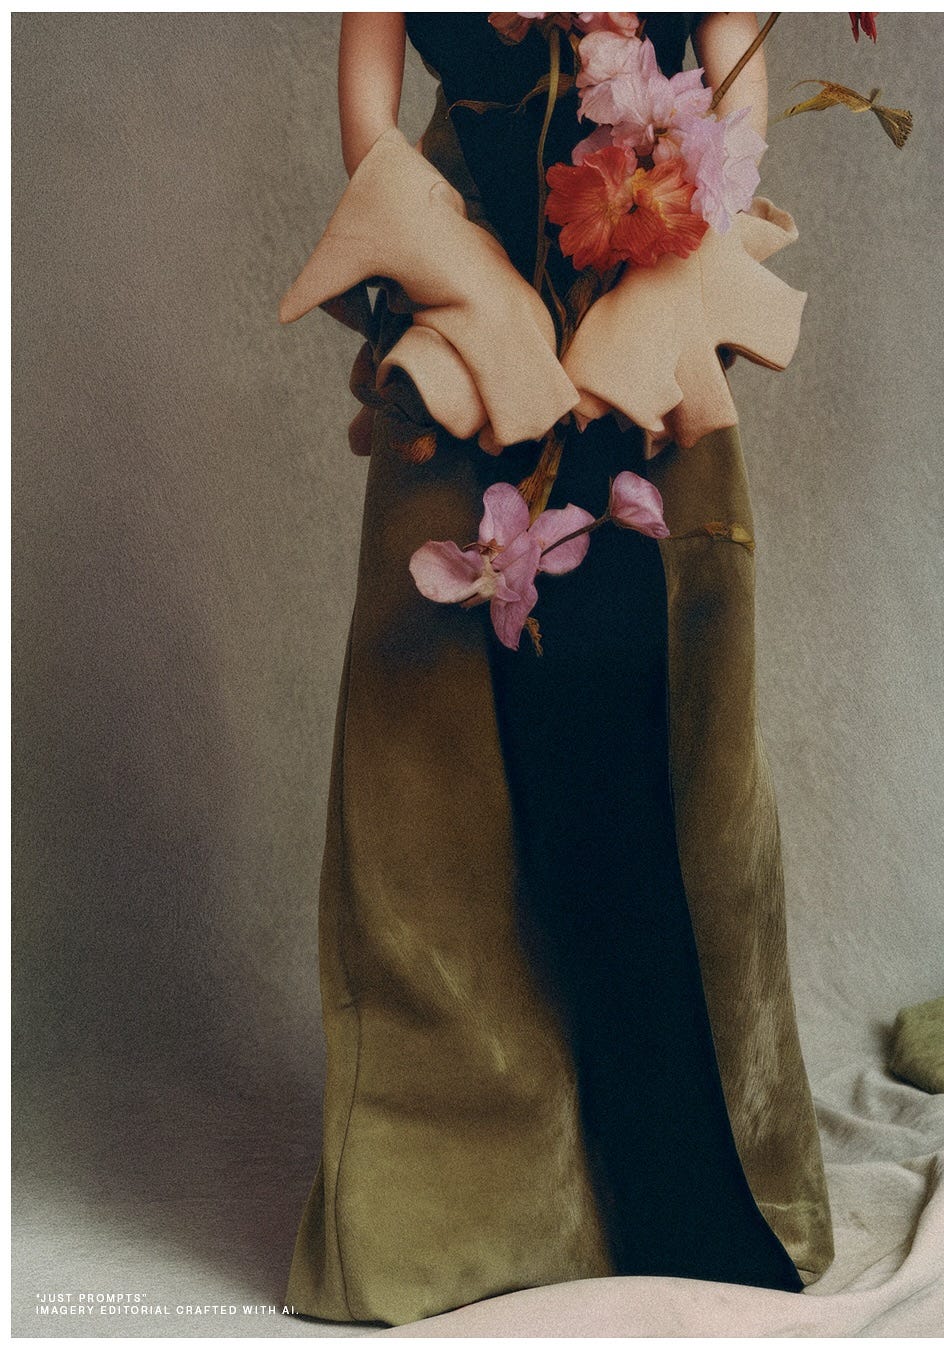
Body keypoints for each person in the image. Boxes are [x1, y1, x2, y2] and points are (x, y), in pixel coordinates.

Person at [279, 12, 834, 1328]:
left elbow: (739, 95)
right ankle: (464, 1208)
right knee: (444, 785)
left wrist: (658, 288)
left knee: (680, 759)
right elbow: (369, 121)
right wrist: (478, 292)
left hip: (647, 290)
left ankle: (688, 1184)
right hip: (472, 310)